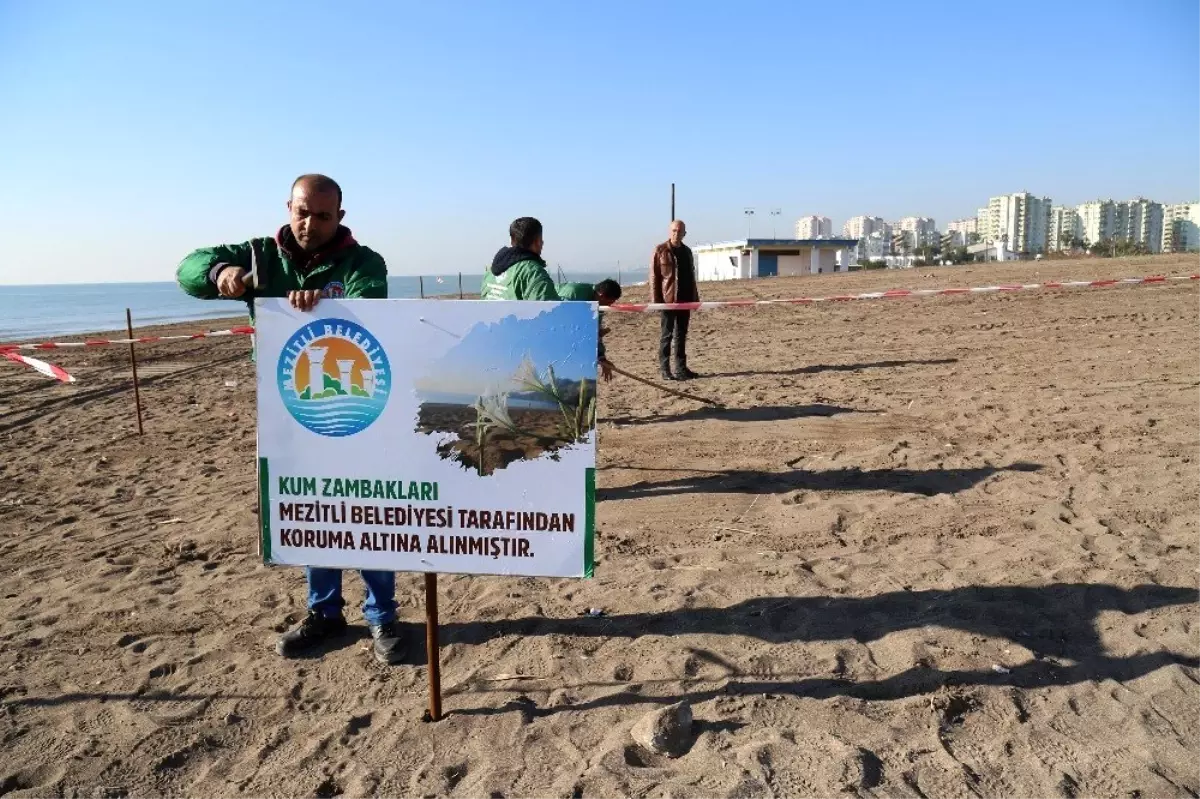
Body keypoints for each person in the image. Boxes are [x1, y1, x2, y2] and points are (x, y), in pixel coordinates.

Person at [176, 174, 405, 665]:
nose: (310, 224)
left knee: (368, 509)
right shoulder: (261, 255)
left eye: (322, 216)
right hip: (292, 413)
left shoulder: (364, 262)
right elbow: (187, 268)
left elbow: (370, 308)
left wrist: (325, 303)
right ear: (288, 207)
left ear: (339, 217)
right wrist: (220, 273)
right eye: (302, 212)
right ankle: (325, 613)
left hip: (358, 409)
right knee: (312, 508)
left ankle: (382, 614)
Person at [650, 219, 699, 380]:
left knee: (681, 335)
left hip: (685, 300)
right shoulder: (660, 250)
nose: (676, 233)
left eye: (680, 231)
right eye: (674, 230)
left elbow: (692, 277)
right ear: (669, 231)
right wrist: (656, 301)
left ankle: (681, 368)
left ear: (684, 233)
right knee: (667, 335)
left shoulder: (687, 252)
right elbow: (654, 277)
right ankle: (665, 369)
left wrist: (695, 298)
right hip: (668, 301)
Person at [481, 217, 560, 301]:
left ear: (511, 240)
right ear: (538, 241)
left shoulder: (490, 272)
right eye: (541, 239)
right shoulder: (533, 273)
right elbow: (549, 310)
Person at [557, 279, 621, 382]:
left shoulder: (598, 305)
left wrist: (601, 357)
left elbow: (594, 333)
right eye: (609, 302)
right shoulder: (573, 294)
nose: (609, 306)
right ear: (600, 294)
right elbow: (561, 323)